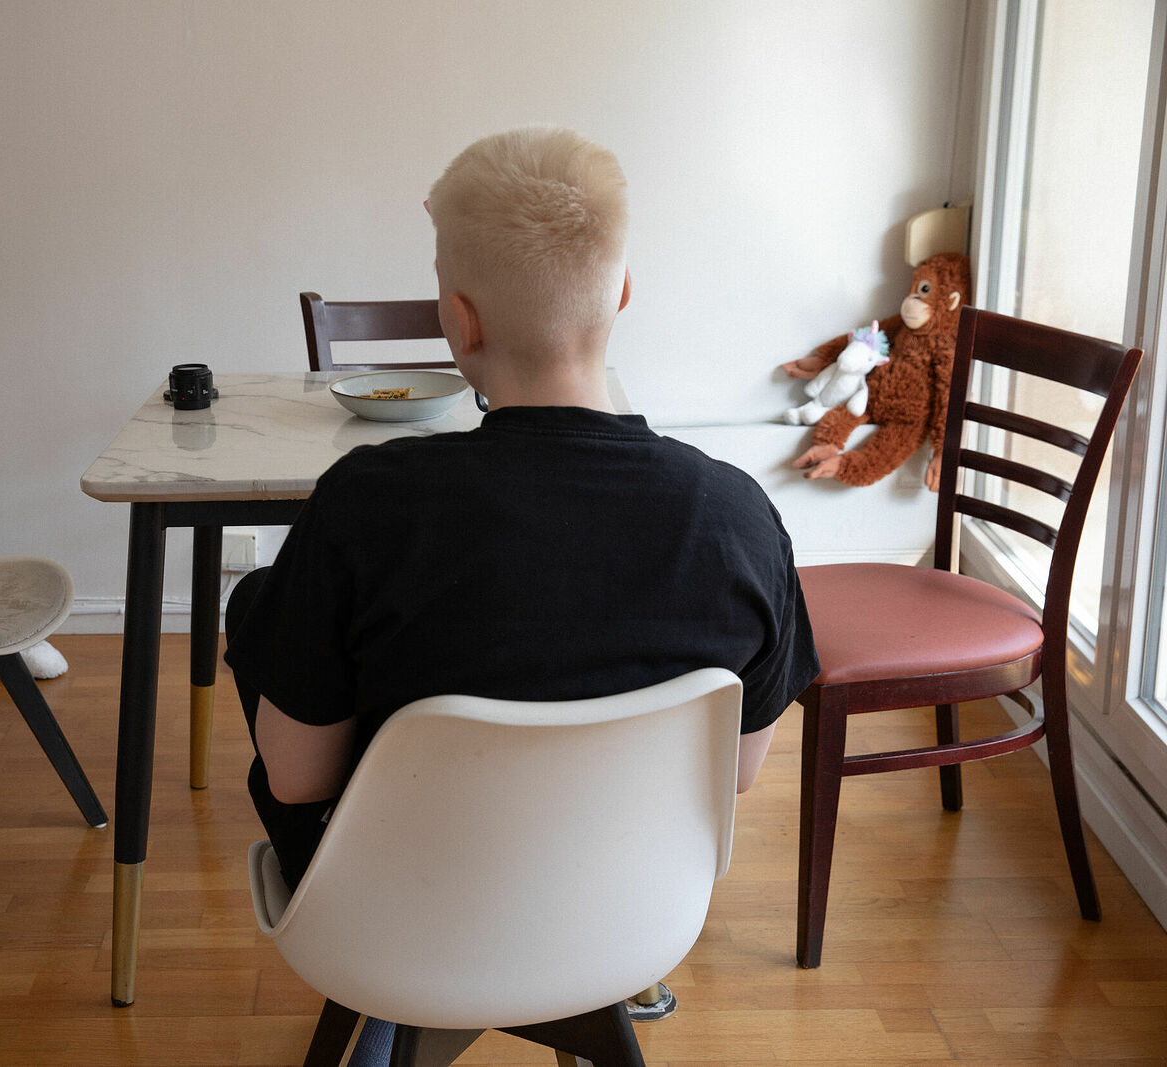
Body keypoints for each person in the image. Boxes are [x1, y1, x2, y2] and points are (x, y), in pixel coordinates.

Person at [224, 129, 818, 1057]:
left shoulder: (371, 505)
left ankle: (404, 1019)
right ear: (621, 294)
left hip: (393, 921)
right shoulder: (737, 518)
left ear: (458, 320)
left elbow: (298, 778)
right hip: (626, 919)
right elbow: (735, 771)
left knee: (259, 607)